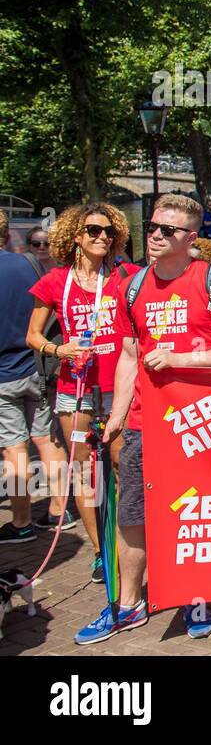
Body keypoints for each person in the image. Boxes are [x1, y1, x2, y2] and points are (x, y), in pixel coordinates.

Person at [76, 194, 211, 645]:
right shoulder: (131, 286)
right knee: (132, 512)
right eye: (153, 226)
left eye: (167, 230)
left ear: (190, 238)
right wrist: (115, 414)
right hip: (142, 420)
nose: (155, 235)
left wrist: (182, 357)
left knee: (195, 515)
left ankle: (196, 598)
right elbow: (129, 354)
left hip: (201, 419)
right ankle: (128, 604)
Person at [24, 204, 138, 578]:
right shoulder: (55, 282)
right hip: (75, 389)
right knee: (86, 473)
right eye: (93, 230)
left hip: (117, 389)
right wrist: (60, 350)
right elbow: (33, 336)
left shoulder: (126, 275)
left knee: (122, 468)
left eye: (108, 232)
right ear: (76, 236)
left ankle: (128, 545)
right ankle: (102, 552)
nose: (102, 237)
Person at [0, 212, 65, 549]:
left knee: (14, 449)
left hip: (3, 375)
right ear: (7, 234)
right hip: (35, 366)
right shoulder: (28, 264)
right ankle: (59, 511)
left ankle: (22, 522)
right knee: (47, 440)